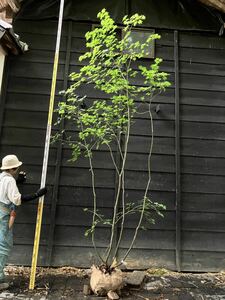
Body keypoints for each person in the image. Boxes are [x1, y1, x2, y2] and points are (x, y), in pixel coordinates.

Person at [0, 154, 47, 290]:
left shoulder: (2, 177)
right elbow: (17, 199)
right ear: (13, 169)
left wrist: (18, 181)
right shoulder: (9, 181)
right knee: (3, 247)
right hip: (3, 216)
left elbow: (4, 191)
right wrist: (37, 194)